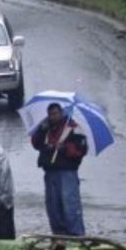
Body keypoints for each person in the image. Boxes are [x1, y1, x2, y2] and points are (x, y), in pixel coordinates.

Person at [31, 102, 88, 241]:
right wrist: (41, 130)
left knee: (70, 205)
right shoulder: (46, 127)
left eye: (56, 113)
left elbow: (82, 149)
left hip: (67, 172)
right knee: (53, 207)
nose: (53, 116)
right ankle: (59, 236)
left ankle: (76, 236)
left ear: (61, 113)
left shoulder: (73, 127)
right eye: (50, 114)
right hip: (50, 172)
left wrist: (65, 148)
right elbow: (36, 144)